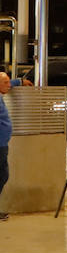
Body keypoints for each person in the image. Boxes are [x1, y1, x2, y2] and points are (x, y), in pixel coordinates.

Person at [0, 70, 10, 221]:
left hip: (2, 144)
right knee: (2, 175)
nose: (9, 85)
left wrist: (18, 82)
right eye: (6, 82)